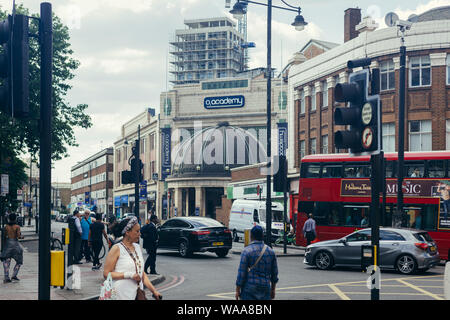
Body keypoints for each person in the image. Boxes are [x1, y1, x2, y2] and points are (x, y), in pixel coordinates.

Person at [103, 217, 162, 300]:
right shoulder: (116, 249)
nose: (140, 234)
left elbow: (142, 273)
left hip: (136, 294)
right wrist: (130, 275)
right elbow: (106, 274)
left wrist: (154, 291)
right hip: (120, 294)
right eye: (137, 231)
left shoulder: (137, 247)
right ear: (127, 232)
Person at [235, 225, 278, 300]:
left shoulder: (246, 251)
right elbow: (274, 273)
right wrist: (273, 289)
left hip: (249, 288)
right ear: (262, 236)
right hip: (265, 287)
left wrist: (237, 290)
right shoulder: (271, 252)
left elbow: (241, 273)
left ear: (251, 236)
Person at [0, 213, 24, 283]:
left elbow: (3, 237)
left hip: (7, 244)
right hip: (15, 244)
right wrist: (22, 237)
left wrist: (2, 247)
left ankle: (6, 276)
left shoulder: (6, 227)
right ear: (15, 218)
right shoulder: (17, 227)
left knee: (6, 261)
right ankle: (14, 275)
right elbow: (19, 236)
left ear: (9, 218)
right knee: (19, 261)